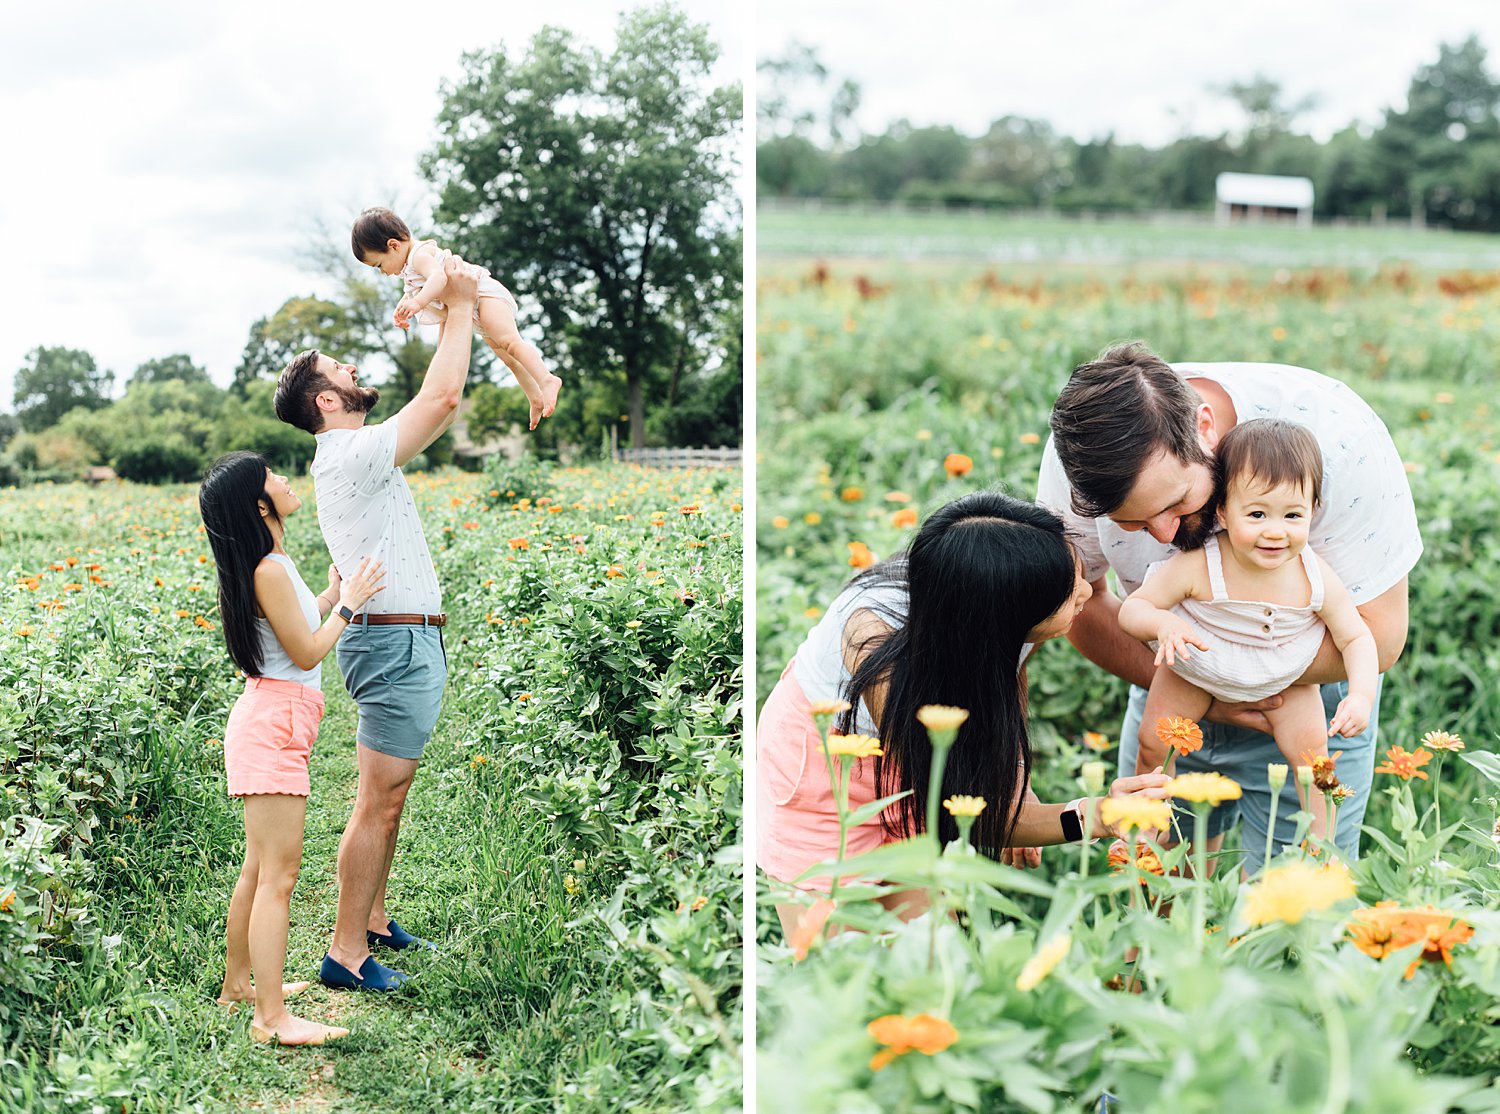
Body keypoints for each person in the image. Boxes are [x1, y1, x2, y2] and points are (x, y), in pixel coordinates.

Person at [1038, 341, 1421, 872]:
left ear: (1204, 425)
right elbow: (1080, 606)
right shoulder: (1078, 457)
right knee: (1151, 888)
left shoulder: (1340, 442)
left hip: (1305, 695)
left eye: (1176, 503)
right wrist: (1207, 692)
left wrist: (1245, 679)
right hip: (1171, 675)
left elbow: (1378, 634)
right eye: (1133, 523)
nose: (1166, 535)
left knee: (1300, 908)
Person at [756, 491, 1173, 938]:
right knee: (838, 964)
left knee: (934, 952)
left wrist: (1017, 778)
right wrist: (1096, 815)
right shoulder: (876, 646)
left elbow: (1008, 673)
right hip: (828, 771)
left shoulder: (988, 606)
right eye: (1069, 590)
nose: (1088, 593)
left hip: (919, 748)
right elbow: (962, 806)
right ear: (1002, 616)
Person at [274, 253, 483, 992]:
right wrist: (458, 306)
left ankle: (373, 921)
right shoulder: (350, 454)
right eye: (340, 368)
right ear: (325, 402)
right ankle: (344, 954)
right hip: (391, 638)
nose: (354, 368)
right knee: (379, 799)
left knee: (391, 798)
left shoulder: (353, 455)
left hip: (403, 632)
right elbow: (445, 395)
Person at [200, 451, 387, 1045]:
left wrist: (330, 597)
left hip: (274, 717)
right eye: (272, 478)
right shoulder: (268, 569)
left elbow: (294, 635)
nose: (284, 479)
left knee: (259, 869)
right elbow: (307, 654)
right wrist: (353, 603)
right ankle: (271, 1019)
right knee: (279, 875)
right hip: (274, 723)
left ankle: (240, 987)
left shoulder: (273, 563)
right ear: (260, 505)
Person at [1116, 419, 1379, 841]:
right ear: (1222, 510)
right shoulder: (1202, 564)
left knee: (1314, 761)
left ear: (1313, 510)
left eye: (1293, 515)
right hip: (1197, 667)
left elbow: (1356, 636)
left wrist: (1361, 696)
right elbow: (1134, 609)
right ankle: (1150, 830)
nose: (1275, 531)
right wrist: (1164, 623)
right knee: (1154, 740)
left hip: (1286, 681)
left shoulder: (1315, 577)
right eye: (1256, 514)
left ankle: (1320, 843)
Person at [351, 205, 562, 432]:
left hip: (484, 295)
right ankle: (535, 396)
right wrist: (405, 303)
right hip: (473, 307)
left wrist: (417, 303)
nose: (382, 271)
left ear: (393, 245)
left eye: (379, 265)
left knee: (510, 342)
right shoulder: (408, 265)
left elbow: (438, 277)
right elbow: (415, 286)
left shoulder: (419, 256)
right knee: (508, 357)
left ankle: (547, 379)